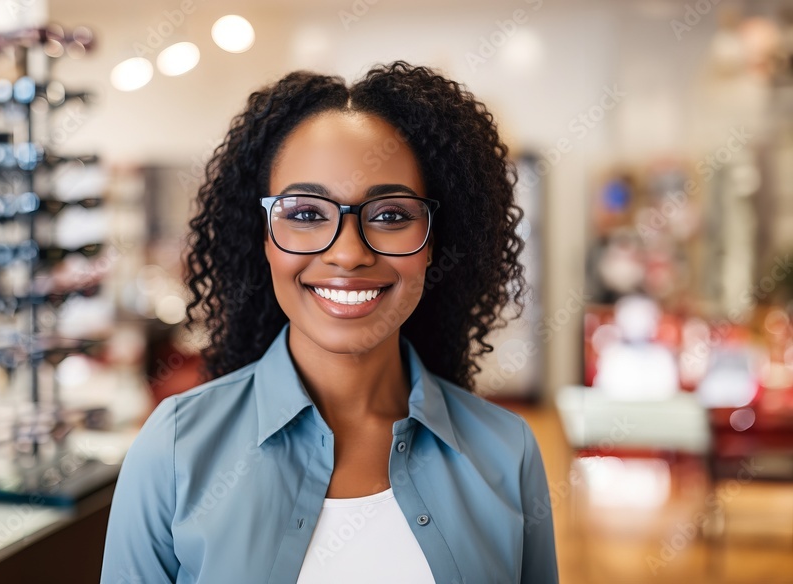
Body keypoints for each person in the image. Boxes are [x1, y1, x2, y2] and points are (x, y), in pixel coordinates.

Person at [101, 61, 558, 584]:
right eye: (304, 213)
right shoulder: (176, 449)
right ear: (264, 238)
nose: (347, 254)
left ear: (434, 242)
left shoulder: (506, 452)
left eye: (389, 215)